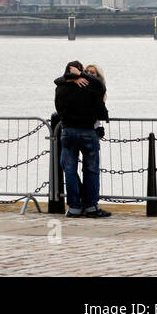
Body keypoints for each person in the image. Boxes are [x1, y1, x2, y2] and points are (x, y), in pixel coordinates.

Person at [53, 61, 111, 218]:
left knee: (70, 170)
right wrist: (81, 76)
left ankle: (74, 208)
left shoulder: (61, 87)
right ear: (81, 72)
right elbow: (101, 86)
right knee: (91, 170)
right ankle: (91, 207)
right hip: (87, 131)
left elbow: (58, 106)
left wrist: (68, 78)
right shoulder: (90, 86)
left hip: (68, 131)